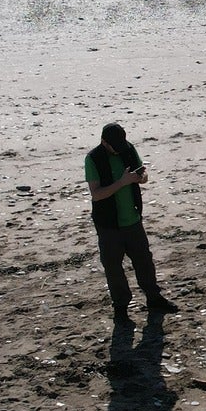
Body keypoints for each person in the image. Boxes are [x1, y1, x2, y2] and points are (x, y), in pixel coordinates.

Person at [85, 122, 178, 323]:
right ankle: (121, 308)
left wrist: (139, 178)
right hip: (108, 225)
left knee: (144, 261)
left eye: (121, 145)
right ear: (104, 142)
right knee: (113, 268)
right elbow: (96, 194)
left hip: (133, 220)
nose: (119, 150)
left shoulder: (128, 148)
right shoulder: (93, 158)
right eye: (114, 147)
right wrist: (122, 182)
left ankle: (154, 298)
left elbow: (143, 175)